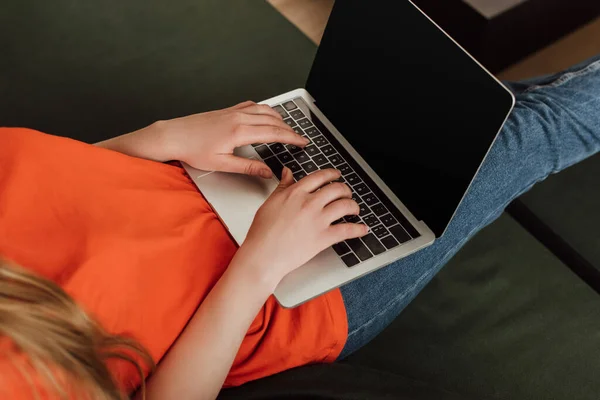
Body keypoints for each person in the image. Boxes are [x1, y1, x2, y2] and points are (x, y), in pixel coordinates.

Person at [1, 54, 599, 400]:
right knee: (538, 130)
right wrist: (262, 261)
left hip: (196, 175)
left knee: (468, 109)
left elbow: (37, 183)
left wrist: (161, 140)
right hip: (283, 294)